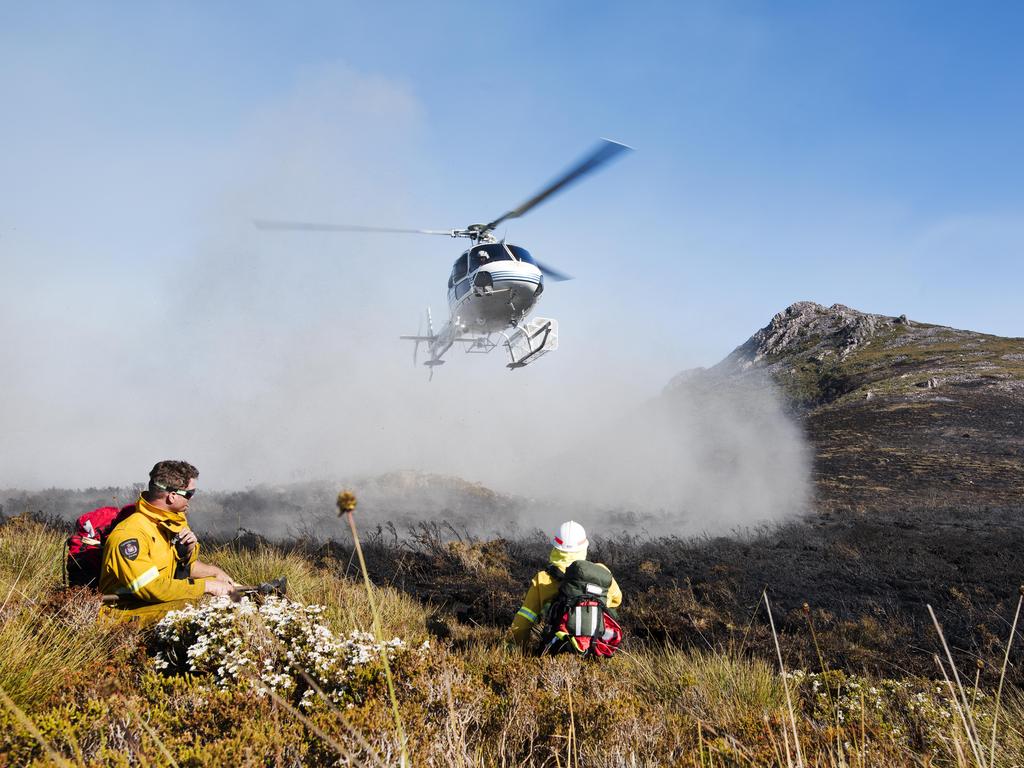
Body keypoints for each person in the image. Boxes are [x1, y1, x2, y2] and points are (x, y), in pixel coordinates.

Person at [100, 460, 236, 622]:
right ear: (172, 496)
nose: (191, 500)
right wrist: (206, 586)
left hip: (155, 603)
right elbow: (149, 587)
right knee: (200, 606)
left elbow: (178, 570)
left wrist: (214, 572)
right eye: (190, 494)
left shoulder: (170, 523)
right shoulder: (130, 533)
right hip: (124, 614)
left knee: (233, 597)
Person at [510, 520, 622, 651]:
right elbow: (617, 600)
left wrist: (516, 647)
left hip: (557, 646)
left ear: (555, 548)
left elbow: (525, 618)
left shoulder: (543, 578)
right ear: (584, 548)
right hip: (596, 646)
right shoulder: (602, 572)